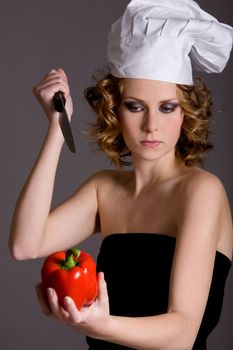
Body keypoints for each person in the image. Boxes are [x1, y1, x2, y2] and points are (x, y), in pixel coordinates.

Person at [9, 0, 233, 349]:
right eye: (136, 106)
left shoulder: (201, 191)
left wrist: (98, 325)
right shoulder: (104, 189)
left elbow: (182, 334)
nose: (151, 125)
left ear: (186, 113)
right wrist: (57, 127)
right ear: (115, 109)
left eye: (167, 107)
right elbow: (25, 244)